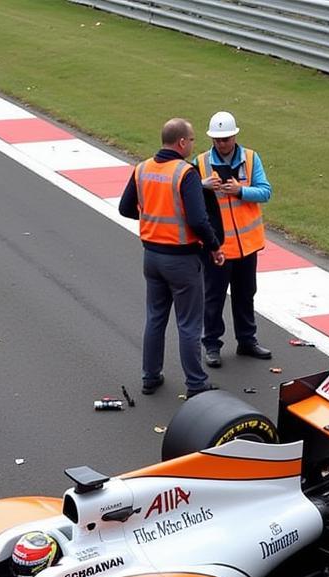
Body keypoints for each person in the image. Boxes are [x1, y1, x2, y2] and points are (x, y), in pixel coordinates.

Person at [119, 118, 226, 399]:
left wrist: (154, 218)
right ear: (181, 142)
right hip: (181, 259)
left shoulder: (143, 168)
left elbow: (125, 208)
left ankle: (150, 377)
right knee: (189, 324)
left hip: (151, 256)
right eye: (191, 140)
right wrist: (214, 245)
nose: (193, 144)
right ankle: (196, 383)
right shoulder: (185, 172)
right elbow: (198, 219)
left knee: (155, 319)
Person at [194, 111, 273, 366]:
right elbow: (188, 196)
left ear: (235, 136)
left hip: (247, 244)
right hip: (218, 246)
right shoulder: (201, 162)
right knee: (214, 297)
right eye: (217, 140)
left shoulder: (250, 158)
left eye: (225, 139)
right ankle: (212, 345)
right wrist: (202, 185)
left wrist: (240, 191)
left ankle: (247, 341)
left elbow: (265, 192)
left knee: (245, 293)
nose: (221, 144)